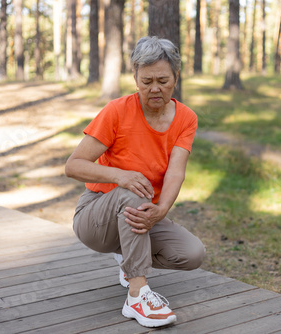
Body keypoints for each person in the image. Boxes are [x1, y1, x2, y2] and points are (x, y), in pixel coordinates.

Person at [65, 36, 205, 328]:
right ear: (135, 78)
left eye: (163, 80)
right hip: (95, 217)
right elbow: (73, 166)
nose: (155, 88)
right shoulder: (116, 111)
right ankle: (137, 295)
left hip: (138, 214)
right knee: (134, 188)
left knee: (192, 254)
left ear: (176, 78)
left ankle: (129, 261)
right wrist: (120, 176)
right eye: (147, 81)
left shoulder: (186, 118)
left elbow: (176, 171)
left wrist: (162, 209)